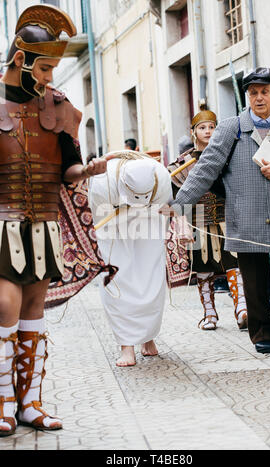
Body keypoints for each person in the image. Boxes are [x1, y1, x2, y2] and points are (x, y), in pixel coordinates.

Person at [0, 4, 108, 437]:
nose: (49, 78)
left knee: (33, 307)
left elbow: (68, 168)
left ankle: (30, 403)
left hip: (43, 222)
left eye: (53, 69)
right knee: (5, 303)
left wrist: (88, 170)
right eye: (44, 68)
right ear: (21, 59)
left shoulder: (59, 107)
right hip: (0, 222)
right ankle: (4, 400)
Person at [163, 67, 270, 355]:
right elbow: (205, 169)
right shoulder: (230, 129)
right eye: (253, 92)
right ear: (247, 96)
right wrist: (180, 203)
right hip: (247, 217)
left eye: (265, 92)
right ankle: (262, 334)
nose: (259, 97)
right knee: (254, 281)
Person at [89, 151, 172, 367]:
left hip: (149, 221)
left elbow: (164, 207)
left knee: (151, 278)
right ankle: (127, 346)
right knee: (117, 279)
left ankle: (148, 339)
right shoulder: (102, 181)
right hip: (111, 224)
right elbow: (96, 214)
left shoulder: (160, 176)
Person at [167, 110, 247, 331]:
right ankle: (209, 313)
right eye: (202, 128)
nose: (208, 132)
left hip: (225, 215)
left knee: (234, 263)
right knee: (203, 269)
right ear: (193, 132)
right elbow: (175, 191)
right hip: (198, 219)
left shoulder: (226, 155)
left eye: (212, 127)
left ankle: (241, 308)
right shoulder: (182, 163)